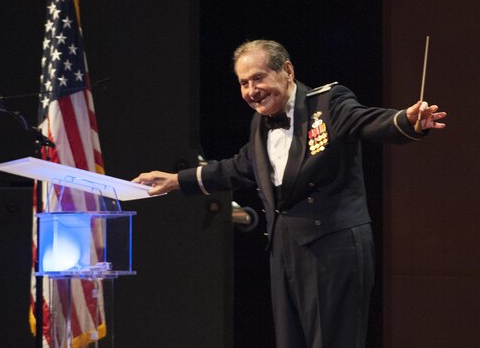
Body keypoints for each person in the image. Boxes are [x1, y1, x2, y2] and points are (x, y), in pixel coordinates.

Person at [133, 39, 446, 348]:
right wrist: (176, 180)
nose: (252, 90)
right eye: (244, 83)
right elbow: (238, 167)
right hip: (284, 251)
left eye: (259, 78)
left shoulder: (328, 103)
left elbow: (366, 121)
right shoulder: (259, 121)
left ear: (287, 70)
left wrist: (406, 120)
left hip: (332, 249)